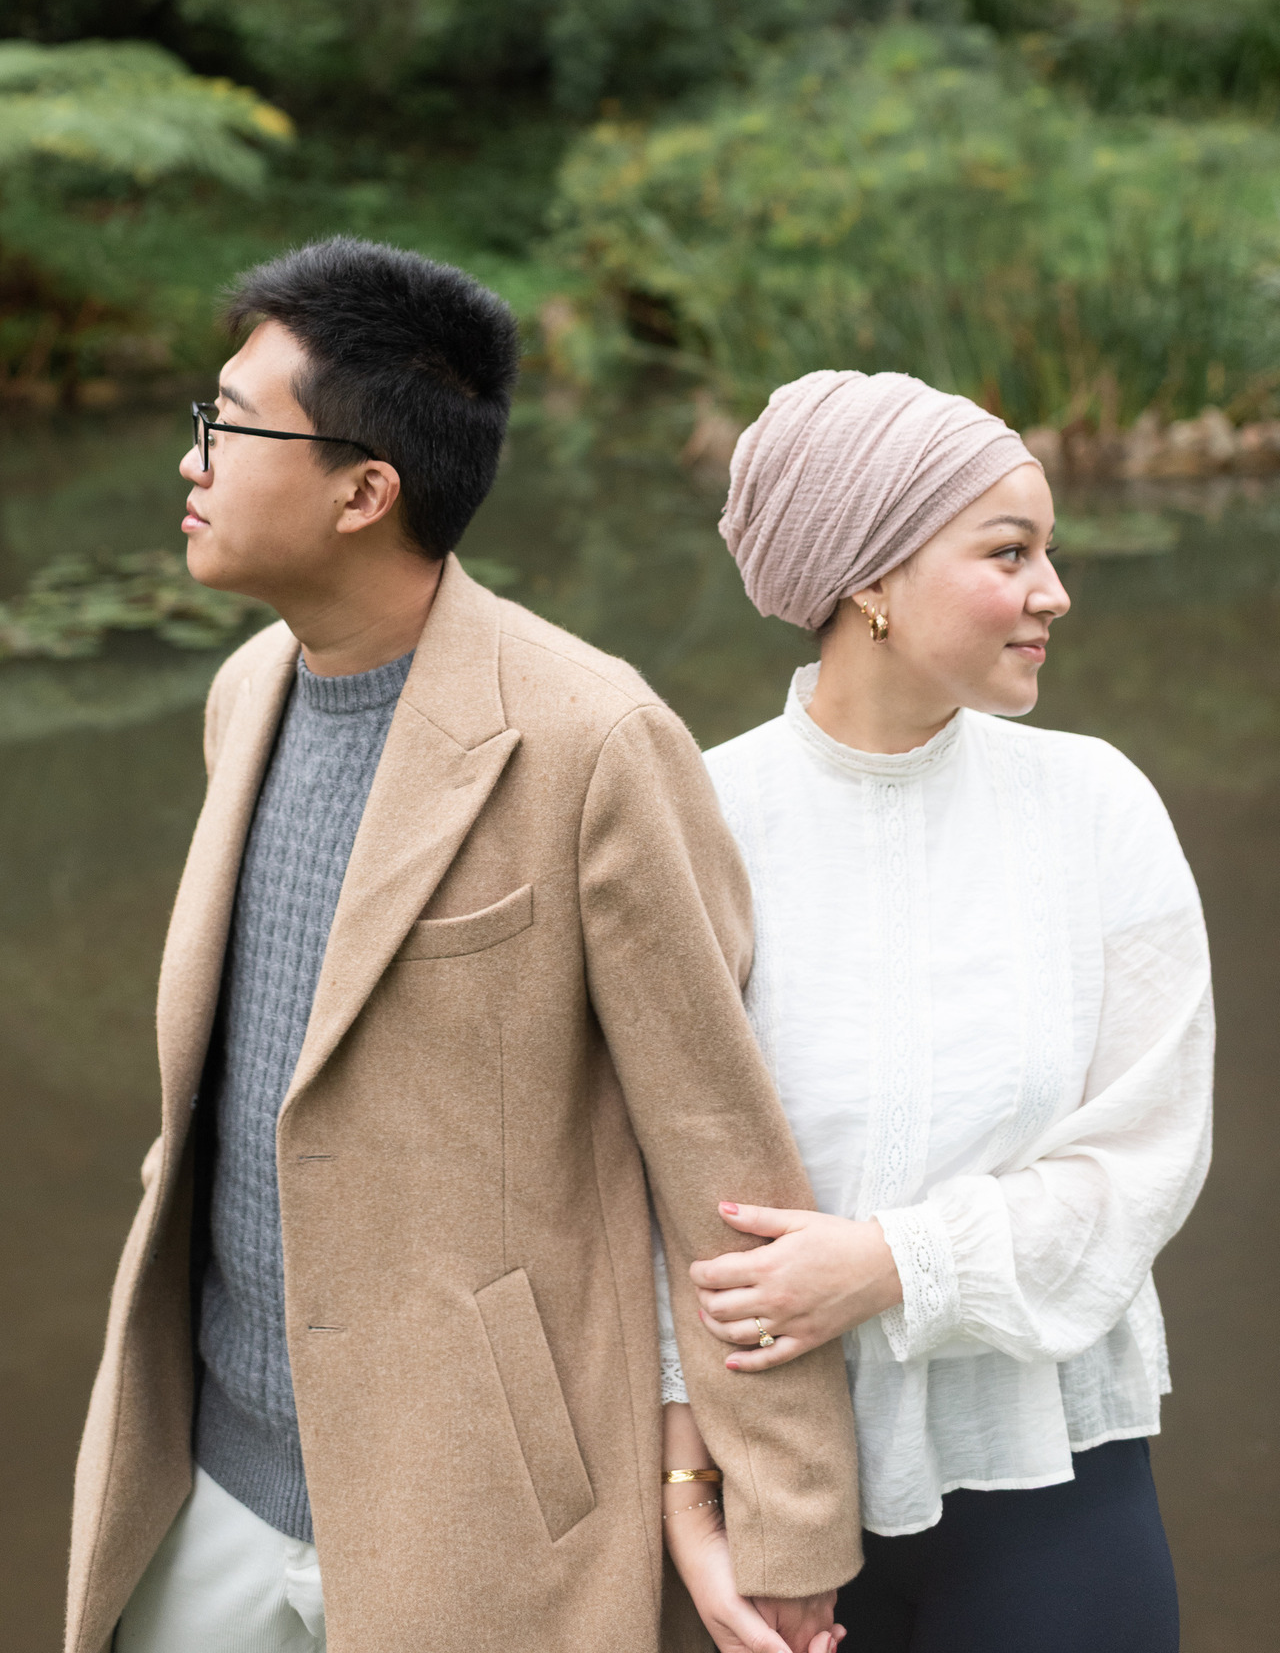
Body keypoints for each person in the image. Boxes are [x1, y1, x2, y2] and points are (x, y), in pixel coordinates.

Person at [65, 242, 862, 1653]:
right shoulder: (245, 692)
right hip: (207, 1478)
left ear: (364, 491)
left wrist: (785, 1513)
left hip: (473, 1506)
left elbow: (720, 1158)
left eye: (228, 425)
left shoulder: (591, 739)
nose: (192, 458)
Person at [656, 370, 1213, 1653]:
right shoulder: (698, 818)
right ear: (869, 579)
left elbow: (1144, 1161)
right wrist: (686, 1488)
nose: (1052, 592)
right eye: (1007, 553)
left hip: (1054, 1488)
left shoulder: (1094, 806)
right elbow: (638, 1198)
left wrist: (891, 1264)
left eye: (1047, 553)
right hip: (780, 1499)